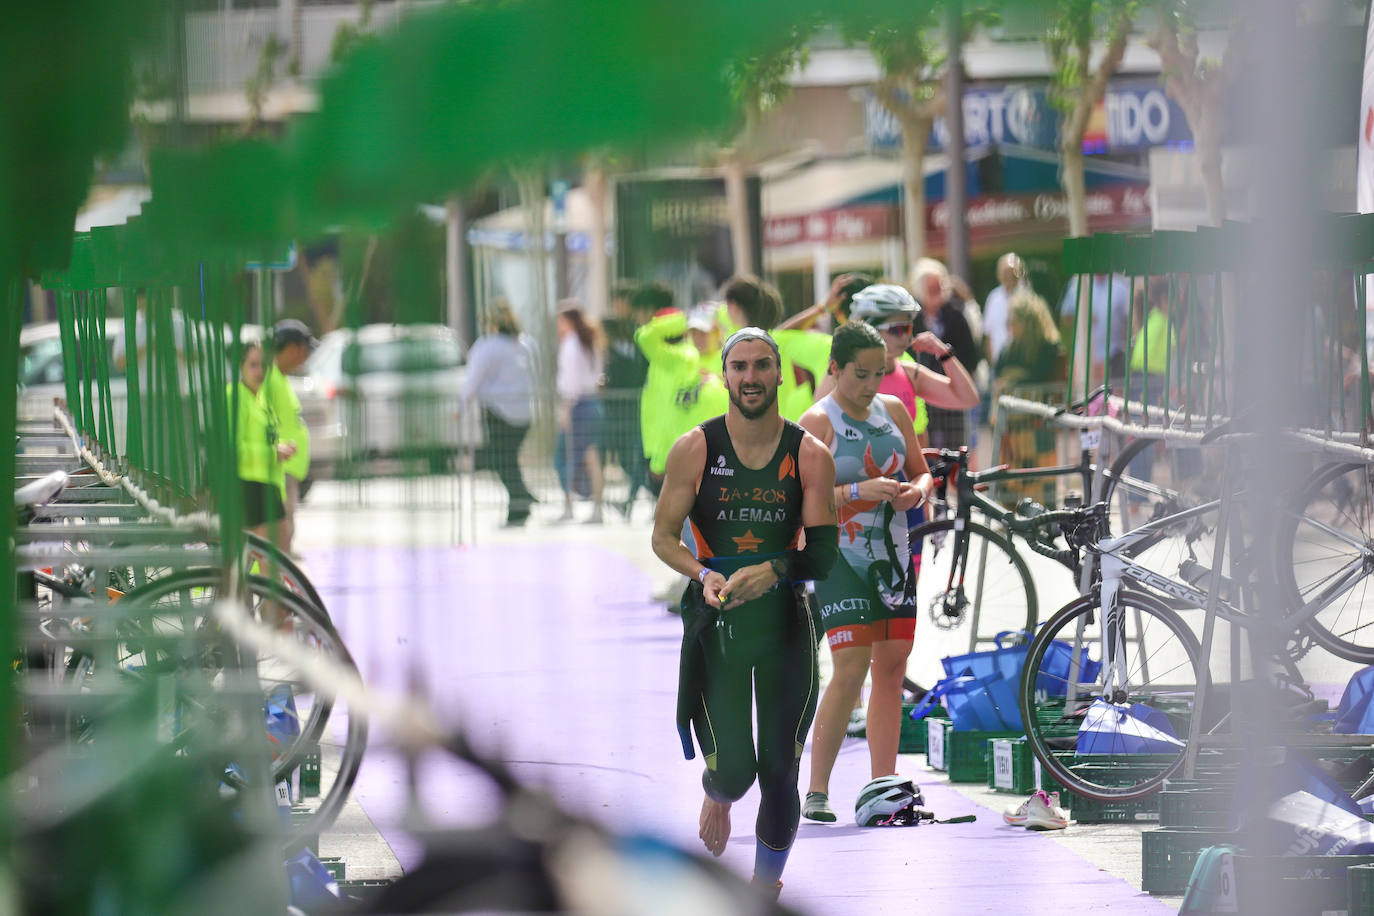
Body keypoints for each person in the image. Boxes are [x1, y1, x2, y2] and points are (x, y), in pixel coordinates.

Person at [653, 328, 838, 898]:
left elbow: (825, 556)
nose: (751, 377)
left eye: (762, 366)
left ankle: (763, 891)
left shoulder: (810, 454)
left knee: (780, 771)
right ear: (725, 375)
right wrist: (701, 573)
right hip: (719, 627)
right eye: (739, 367)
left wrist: (775, 570)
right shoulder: (695, 448)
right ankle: (718, 792)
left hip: (785, 623)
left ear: (781, 375)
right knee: (735, 772)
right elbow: (662, 537)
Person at [799, 321, 934, 824]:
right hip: (840, 559)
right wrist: (857, 493)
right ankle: (816, 790)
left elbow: (920, 469)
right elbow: (797, 502)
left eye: (879, 373)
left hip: (894, 554)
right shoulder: (817, 422)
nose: (871, 384)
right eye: (860, 373)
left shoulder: (894, 410)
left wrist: (916, 491)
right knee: (850, 666)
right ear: (834, 367)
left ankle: (883, 785)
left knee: (892, 669)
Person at [463, 301, 537, 527]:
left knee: (502, 461)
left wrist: (461, 406)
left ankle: (520, 501)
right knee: (508, 460)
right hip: (524, 412)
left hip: (498, 412)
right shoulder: (527, 344)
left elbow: (472, 380)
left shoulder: (487, 346)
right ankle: (522, 498)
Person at [993, 291, 1066, 507]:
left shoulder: (1049, 347)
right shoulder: (1010, 347)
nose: (1009, 326)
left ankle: (1045, 513)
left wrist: (1017, 376)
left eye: (1013, 321)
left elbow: (1046, 377)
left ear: (1028, 321)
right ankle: (1013, 511)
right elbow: (999, 375)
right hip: (1014, 426)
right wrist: (1017, 376)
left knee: (1041, 472)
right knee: (1013, 472)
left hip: (1038, 423)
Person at [909, 259, 983, 452]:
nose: (938, 291)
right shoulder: (912, 319)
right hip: (924, 395)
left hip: (952, 393)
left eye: (940, 286)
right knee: (928, 448)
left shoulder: (955, 316)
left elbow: (971, 355)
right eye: (932, 287)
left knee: (956, 448)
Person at [231, 341, 297, 549]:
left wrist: (281, 447)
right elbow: (233, 449)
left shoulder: (261, 398)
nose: (259, 371)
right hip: (247, 487)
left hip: (266, 485)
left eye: (263, 365)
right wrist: (273, 453)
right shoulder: (235, 397)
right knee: (268, 555)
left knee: (267, 554)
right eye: (253, 365)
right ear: (240, 366)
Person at [262, 319, 316, 554]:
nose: (304, 357)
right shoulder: (269, 379)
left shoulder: (279, 378)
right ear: (293, 349)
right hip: (278, 465)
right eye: (303, 351)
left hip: (287, 467)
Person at [602, 282, 652, 519]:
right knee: (623, 455)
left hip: (638, 401)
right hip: (619, 404)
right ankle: (650, 495)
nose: (616, 307)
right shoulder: (613, 329)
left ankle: (634, 500)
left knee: (638, 453)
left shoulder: (639, 331)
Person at [555, 304, 605, 524]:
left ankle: (569, 505)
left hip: (577, 404)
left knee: (563, 456)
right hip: (593, 402)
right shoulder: (590, 341)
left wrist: (566, 408)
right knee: (592, 457)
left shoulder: (571, 344)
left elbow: (571, 381)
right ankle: (597, 507)